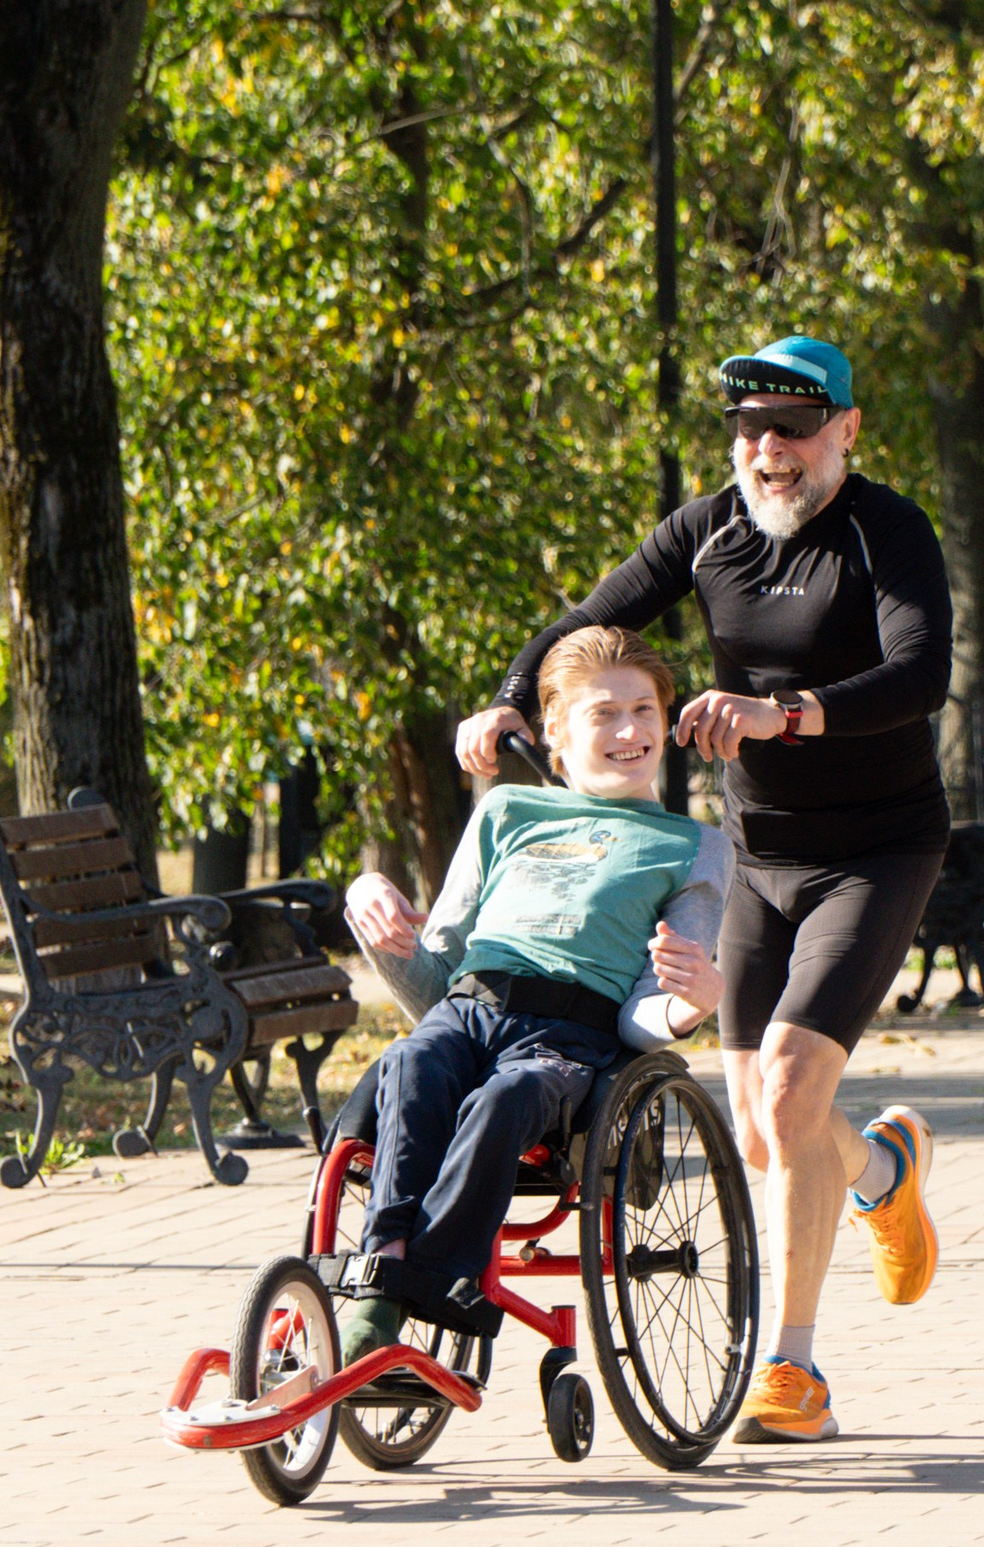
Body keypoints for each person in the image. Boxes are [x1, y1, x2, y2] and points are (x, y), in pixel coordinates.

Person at [454, 335, 951, 1445]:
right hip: (758, 855)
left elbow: (922, 674)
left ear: (845, 433)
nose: (768, 449)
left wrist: (785, 712)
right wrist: (504, 699)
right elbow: (591, 623)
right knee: (773, 1134)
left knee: (785, 1094)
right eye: (749, 429)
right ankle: (884, 1169)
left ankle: (793, 1370)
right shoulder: (709, 527)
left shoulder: (886, 531)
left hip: (875, 853)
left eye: (793, 427)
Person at [337, 626, 732, 1363]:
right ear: (554, 729)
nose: (630, 730)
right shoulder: (504, 814)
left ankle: (415, 1293)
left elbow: (643, 1010)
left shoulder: (692, 845)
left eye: (644, 710)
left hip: (568, 1036)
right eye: (605, 713)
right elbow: (434, 977)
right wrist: (372, 914)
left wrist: (691, 1005)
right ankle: (382, 1269)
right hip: (467, 1008)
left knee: (505, 1099)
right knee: (411, 1064)